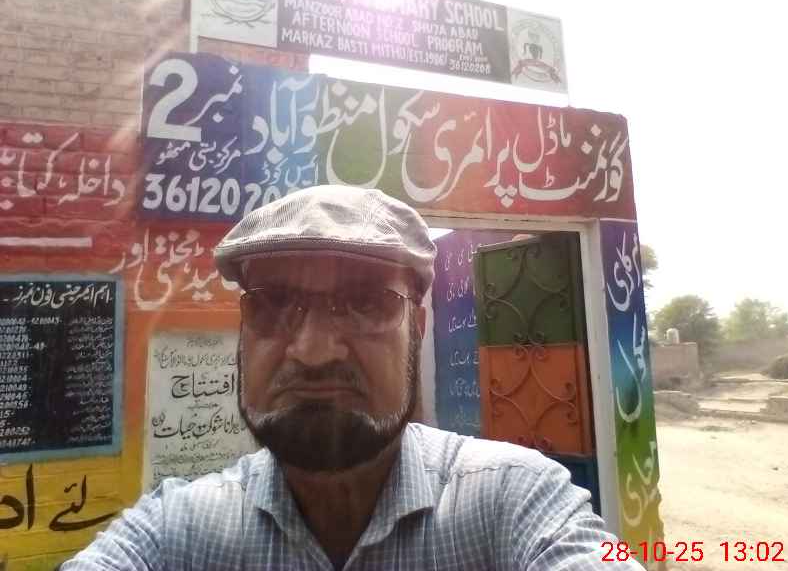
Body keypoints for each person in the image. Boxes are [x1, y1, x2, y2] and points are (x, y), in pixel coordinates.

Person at [63, 185, 644, 570]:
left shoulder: (515, 500)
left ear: (416, 329)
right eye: (274, 303)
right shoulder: (177, 531)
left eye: (366, 303)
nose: (313, 352)